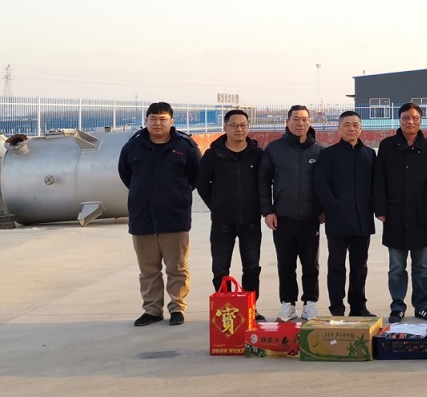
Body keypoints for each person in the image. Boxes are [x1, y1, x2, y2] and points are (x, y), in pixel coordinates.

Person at [117, 102, 201, 327]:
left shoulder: (185, 146)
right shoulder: (132, 147)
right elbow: (126, 175)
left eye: (163, 119)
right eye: (153, 118)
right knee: (148, 270)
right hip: (142, 217)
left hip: (174, 217)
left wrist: (176, 195)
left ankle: (177, 307)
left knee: (177, 268)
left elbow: (196, 176)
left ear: (171, 121)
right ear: (146, 121)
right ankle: (152, 310)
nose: (157, 123)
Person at [373, 102, 427, 323]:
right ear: (399, 120)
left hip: (422, 214)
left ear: (420, 120)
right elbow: (379, 179)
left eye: (414, 118)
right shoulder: (387, 146)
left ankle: (422, 306)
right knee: (396, 267)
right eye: (405, 118)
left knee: (422, 266)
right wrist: (380, 208)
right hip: (394, 213)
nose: (410, 122)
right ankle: (397, 307)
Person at [196, 108, 266, 321]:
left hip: (251, 221)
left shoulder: (257, 154)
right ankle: (225, 309)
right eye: (234, 125)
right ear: (225, 128)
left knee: (252, 267)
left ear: (248, 127)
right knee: (220, 268)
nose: (239, 129)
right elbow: (202, 184)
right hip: (222, 222)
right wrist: (216, 205)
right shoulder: (213, 154)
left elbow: (264, 183)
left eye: (243, 125)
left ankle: (251, 309)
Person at [258, 105, 324, 322]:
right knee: (285, 263)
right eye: (295, 119)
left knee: (310, 263)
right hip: (282, 217)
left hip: (310, 218)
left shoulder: (319, 150)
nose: (300, 123)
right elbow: (263, 181)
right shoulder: (274, 149)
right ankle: (288, 304)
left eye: (304, 119)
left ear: (310, 122)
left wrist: (323, 209)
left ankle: (310, 303)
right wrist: (268, 211)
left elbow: (327, 183)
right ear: (287, 122)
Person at [314, 110, 376, 317]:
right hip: (338, 219)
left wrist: (376, 208)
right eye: (347, 125)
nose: (351, 129)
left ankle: (358, 306)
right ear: (339, 128)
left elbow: (376, 185)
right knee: (337, 266)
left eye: (355, 125)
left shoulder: (369, 154)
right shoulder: (328, 154)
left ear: (361, 128)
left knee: (360, 266)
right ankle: (337, 307)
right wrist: (333, 205)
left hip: (362, 219)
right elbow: (320, 184)